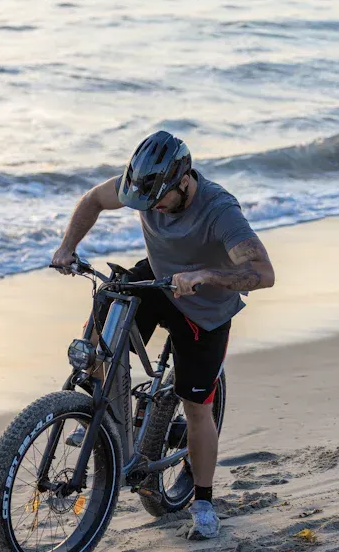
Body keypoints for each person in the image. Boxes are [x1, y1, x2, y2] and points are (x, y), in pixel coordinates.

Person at [50, 130, 275, 540]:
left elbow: (263, 273)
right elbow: (94, 200)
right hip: (159, 279)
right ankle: (107, 411)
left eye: (157, 200)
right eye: (142, 201)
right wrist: (68, 246)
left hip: (205, 309)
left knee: (195, 408)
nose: (150, 208)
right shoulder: (140, 187)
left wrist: (205, 274)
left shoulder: (219, 209)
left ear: (183, 181)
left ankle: (203, 500)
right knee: (109, 299)